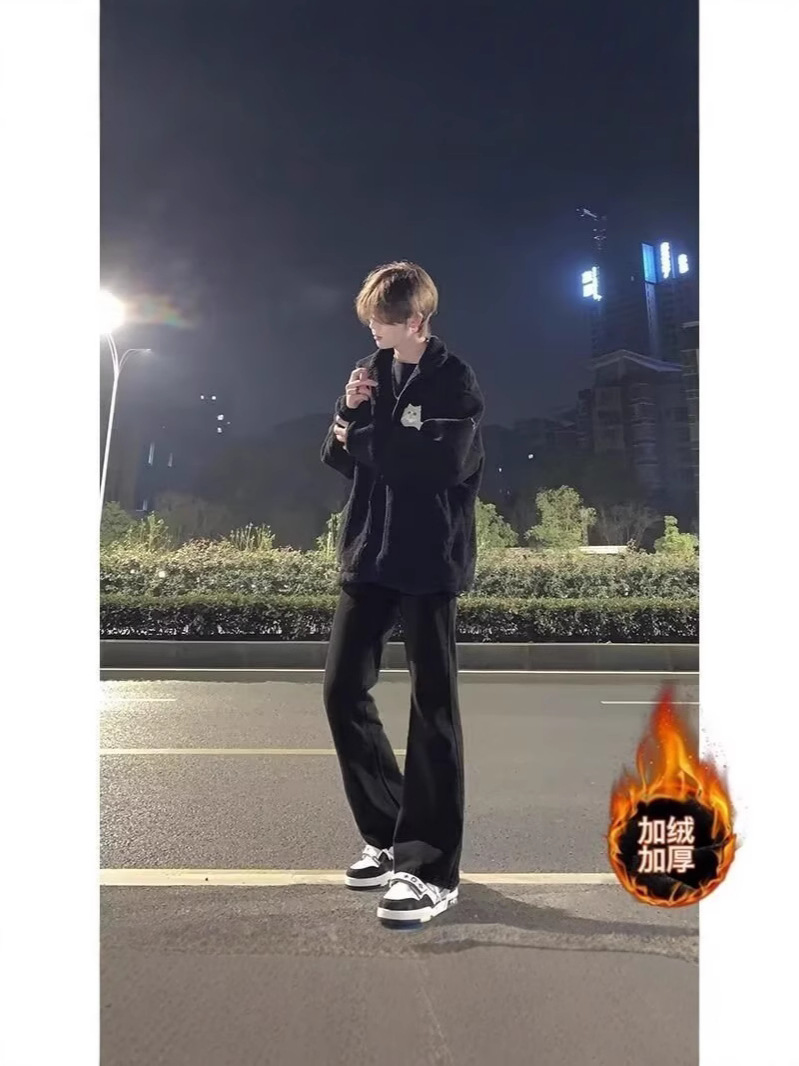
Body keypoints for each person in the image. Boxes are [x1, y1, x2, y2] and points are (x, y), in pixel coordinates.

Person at [320, 261, 485, 926]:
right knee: (341, 690)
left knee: (432, 708)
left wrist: (363, 435)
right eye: (370, 320)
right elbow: (339, 455)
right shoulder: (370, 370)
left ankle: (432, 870)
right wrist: (348, 411)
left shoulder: (453, 381)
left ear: (417, 320)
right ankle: (388, 834)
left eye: (384, 320)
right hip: (369, 555)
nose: (373, 330)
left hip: (428, 559)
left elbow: (437, 466)